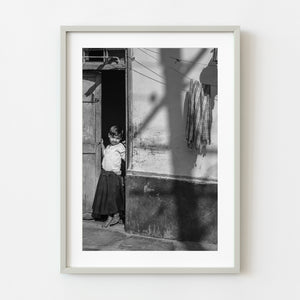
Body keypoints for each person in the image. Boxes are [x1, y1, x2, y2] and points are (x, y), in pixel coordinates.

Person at [92, 125, 125, 227]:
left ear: (121, 138)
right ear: (108, 136)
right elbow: (105, 155)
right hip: (105, 174)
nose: (115, 140)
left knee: (113, 197)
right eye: (113, 137)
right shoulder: (109, 147)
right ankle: (109, 215)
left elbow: (125, 158)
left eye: (118, 138)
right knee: (106, 196)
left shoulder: (120, 147)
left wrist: (122, 173)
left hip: (113, 175)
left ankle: (115, 215)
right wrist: (102, 145)